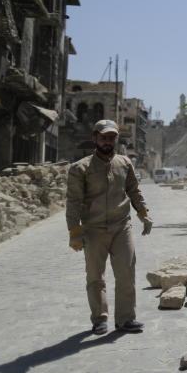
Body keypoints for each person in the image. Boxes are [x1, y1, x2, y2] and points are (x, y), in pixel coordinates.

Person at [65, 119, 152, 335]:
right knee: (95, 276)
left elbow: (134, 191)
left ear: (116, 139)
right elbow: (74, 202)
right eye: (103, 137)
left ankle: (125, 319)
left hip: (122, 227)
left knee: (126, 273)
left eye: (111, 137)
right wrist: (74, 232)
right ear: (94, 138)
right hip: (93, 229)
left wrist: (144, 214)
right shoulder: (80, 168)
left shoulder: (124, 163)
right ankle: (99, 319)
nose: (107, 141)